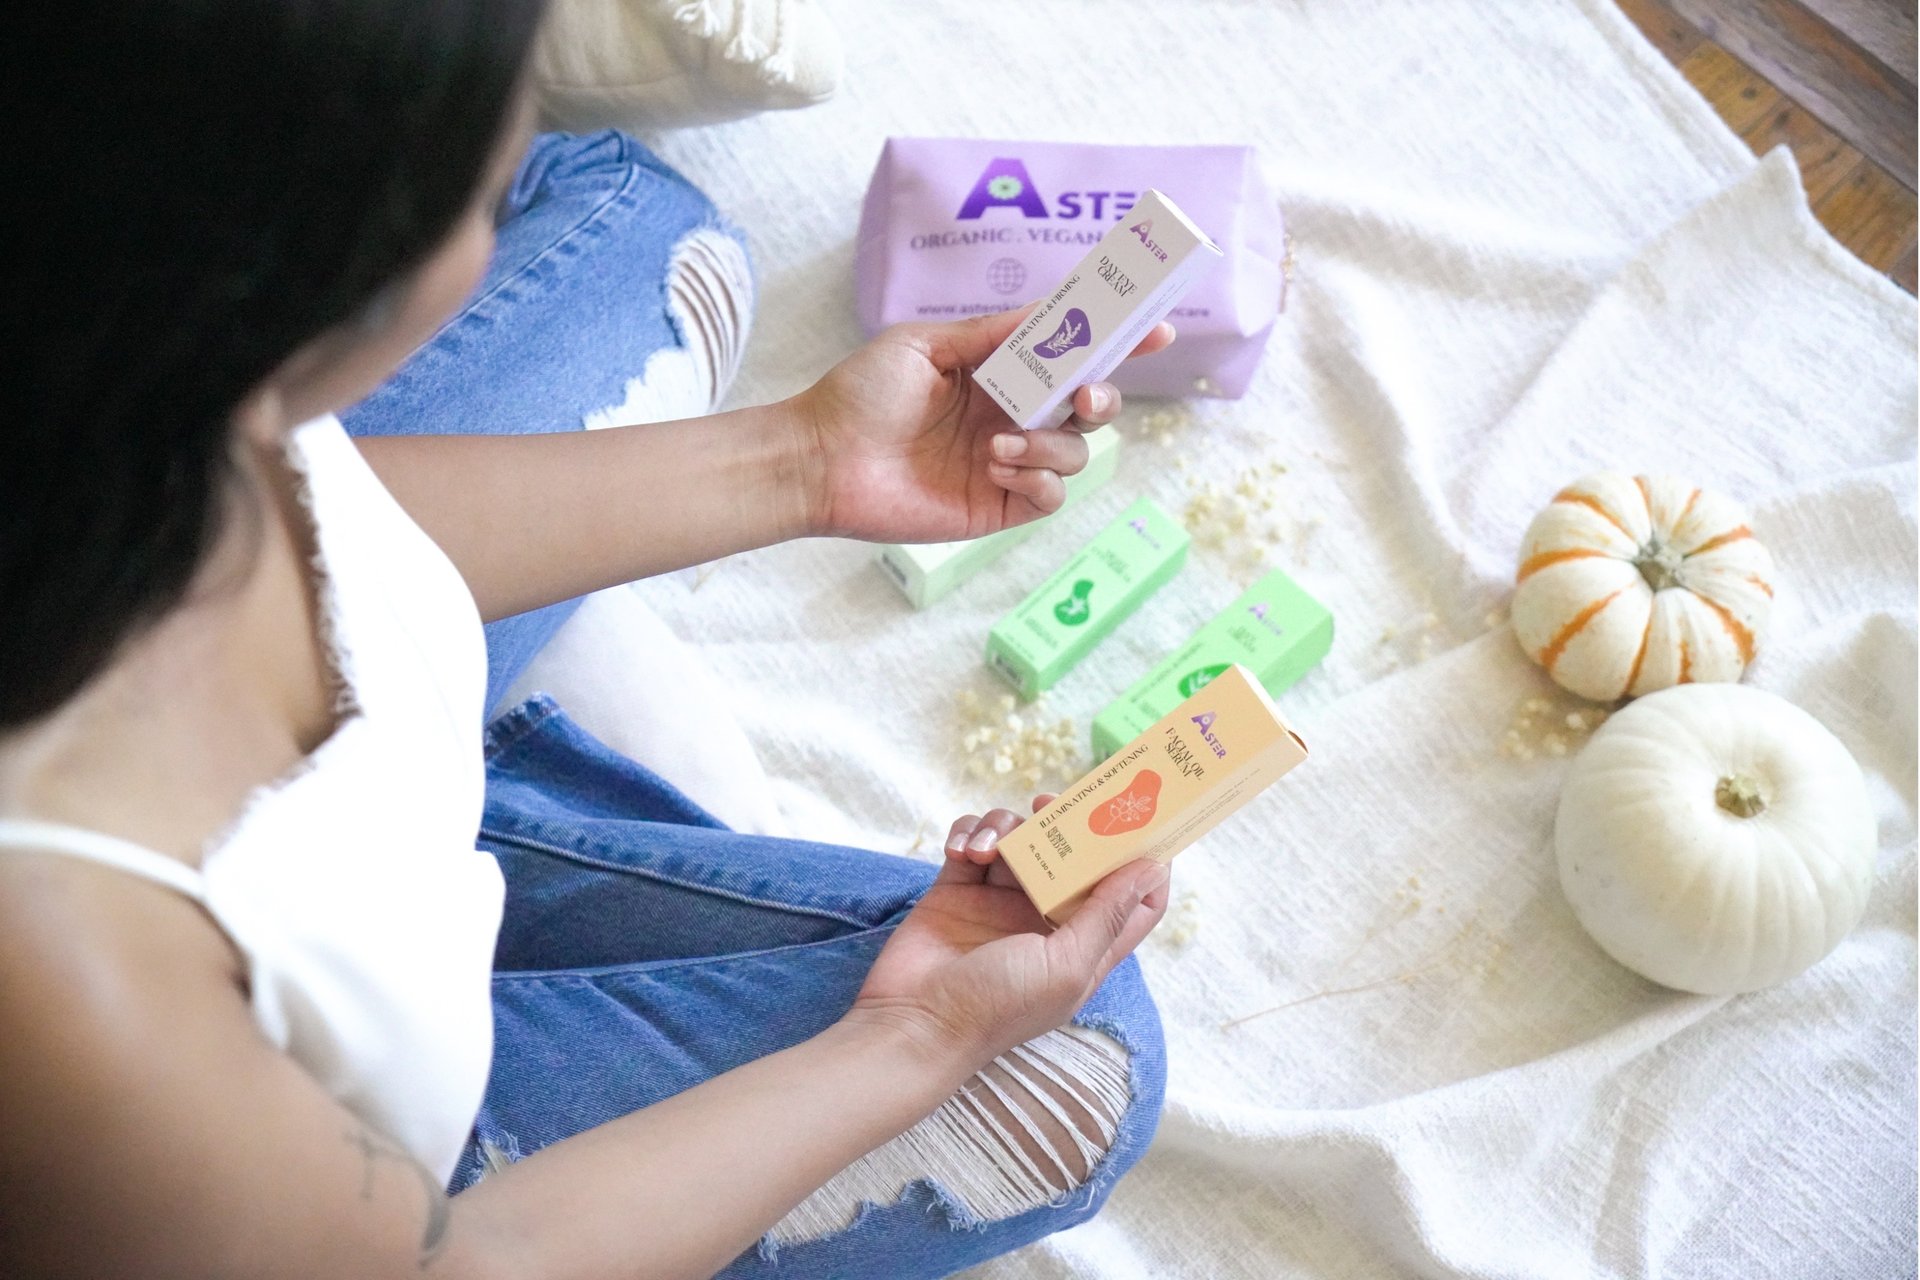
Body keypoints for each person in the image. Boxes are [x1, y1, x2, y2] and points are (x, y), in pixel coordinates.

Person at [0, 3, 1179, 1278]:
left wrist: (811, 458)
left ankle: (483, 759)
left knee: (647, 234)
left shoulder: (87, 371)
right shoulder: (73, 1000)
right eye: (473, 182)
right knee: (1074, 1053)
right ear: (292, 277)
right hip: (329, 1151)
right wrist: (915, 1035)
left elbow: (323, 515)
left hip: (331, 806)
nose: (502, 180)